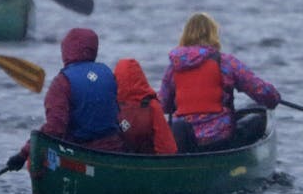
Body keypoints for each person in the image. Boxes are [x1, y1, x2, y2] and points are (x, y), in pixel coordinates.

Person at [158, 12, 281, 152]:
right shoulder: (226, 62)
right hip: (218, 138)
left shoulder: (173, 67)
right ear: (213, 34)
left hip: (184, 139)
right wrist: (274, 98)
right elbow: (261, 91)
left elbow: (163, 105)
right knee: (259, 116)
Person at [6, 27, 122, 171]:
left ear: (67, 50)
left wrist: (23, 154)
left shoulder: (62, 82)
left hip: (81, 155)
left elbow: (55, 129)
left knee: (40, 160)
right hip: (114, 152)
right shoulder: (107, 73)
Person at [115, 58, 178, 155]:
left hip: (118, 160)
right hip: (148, 161)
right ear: (141, 77)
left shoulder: (112, 105)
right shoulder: (153, 106)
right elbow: (168, 148)